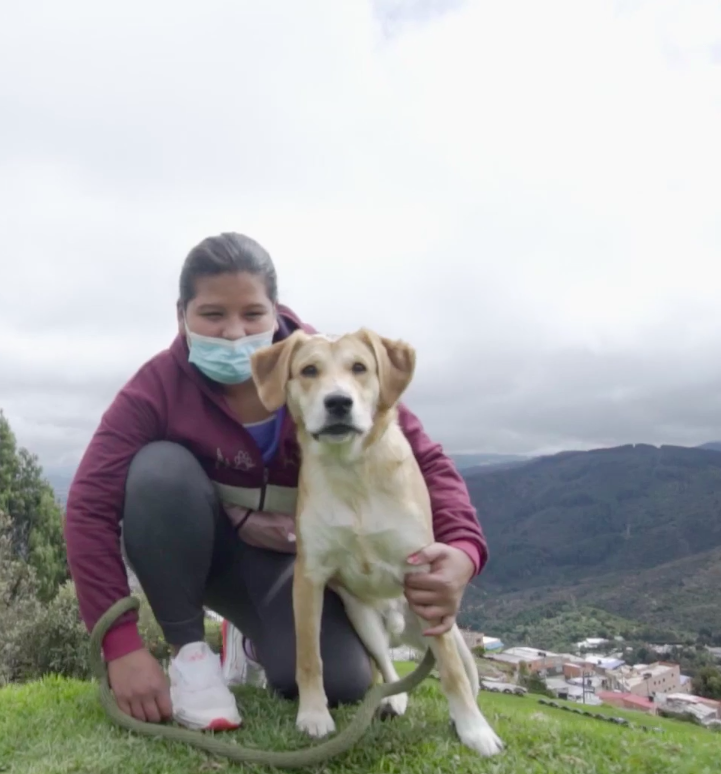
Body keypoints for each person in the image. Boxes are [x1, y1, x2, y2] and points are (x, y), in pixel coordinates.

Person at [62, 232, 489, 731]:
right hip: (209, 561)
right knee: (159, 471)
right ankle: (191, 657)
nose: (233, 332)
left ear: (275, 310)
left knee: (345, 683)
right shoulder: (158, 388)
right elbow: (88, 506)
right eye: (212, 314)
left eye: (252, 314)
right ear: (182, 314)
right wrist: (122, 647)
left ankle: (263, 640)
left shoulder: (329, 374)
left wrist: (463, 549)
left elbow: (423, 459)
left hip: (290, 571)